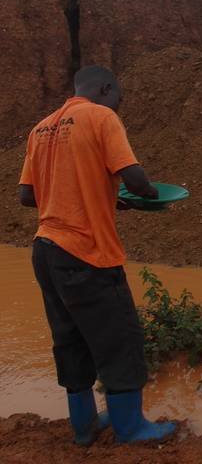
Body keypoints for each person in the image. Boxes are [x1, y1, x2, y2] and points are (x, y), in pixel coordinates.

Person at [18, 65, 176, 444]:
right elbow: (135, 178)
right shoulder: (101, 117)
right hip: (86, 253)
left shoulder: (41, 128)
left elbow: (27, 196)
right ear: (106, 88)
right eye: (117, 99)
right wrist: (149, 195)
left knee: (70, 340)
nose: (116, 107)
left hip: (45, 250)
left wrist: (101, 195)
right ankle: (131, 428)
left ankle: (84, 427)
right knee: (120, 339)